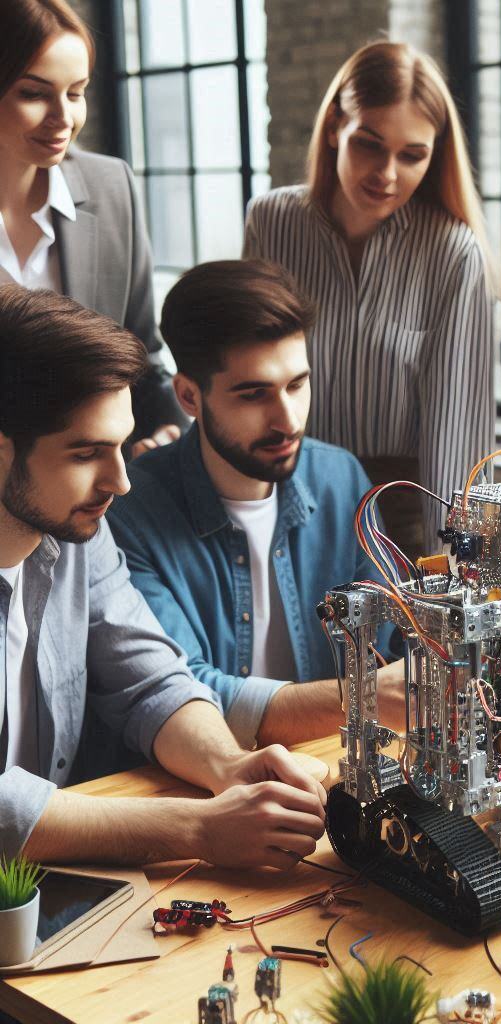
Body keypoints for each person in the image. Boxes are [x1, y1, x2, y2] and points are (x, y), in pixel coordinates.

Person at [0, 284, 327, 869]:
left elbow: (149, 680)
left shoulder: (80, 530)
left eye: (122, 446)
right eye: (85, 454)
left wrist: (227, 767)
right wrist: (194, 829)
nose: (120, 481)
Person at [106, 260, 404, 753]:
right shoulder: (131, 511)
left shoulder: (341, 478)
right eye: (253, 394)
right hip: (202, 788)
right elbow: (185, 694)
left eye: (296, 384)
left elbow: (390, 642)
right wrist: (362, 698)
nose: (287, 420)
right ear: (188, 396)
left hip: (335, 764)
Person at [243, 40, 500, 557]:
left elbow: (459, 442)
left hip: (400, 516)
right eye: (369, 144)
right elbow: (245, 378)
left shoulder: (452, 253)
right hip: (284, 498)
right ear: (336, 125)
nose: (387, 174)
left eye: (412, 156)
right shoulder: (270, 222)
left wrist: (462, 577)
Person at [0, 0, 185, 451]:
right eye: (34, 93)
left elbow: (142, 354)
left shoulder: (111, 187)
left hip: (94, 485)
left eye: (76, 92)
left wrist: (169, 433)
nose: (64, 119)